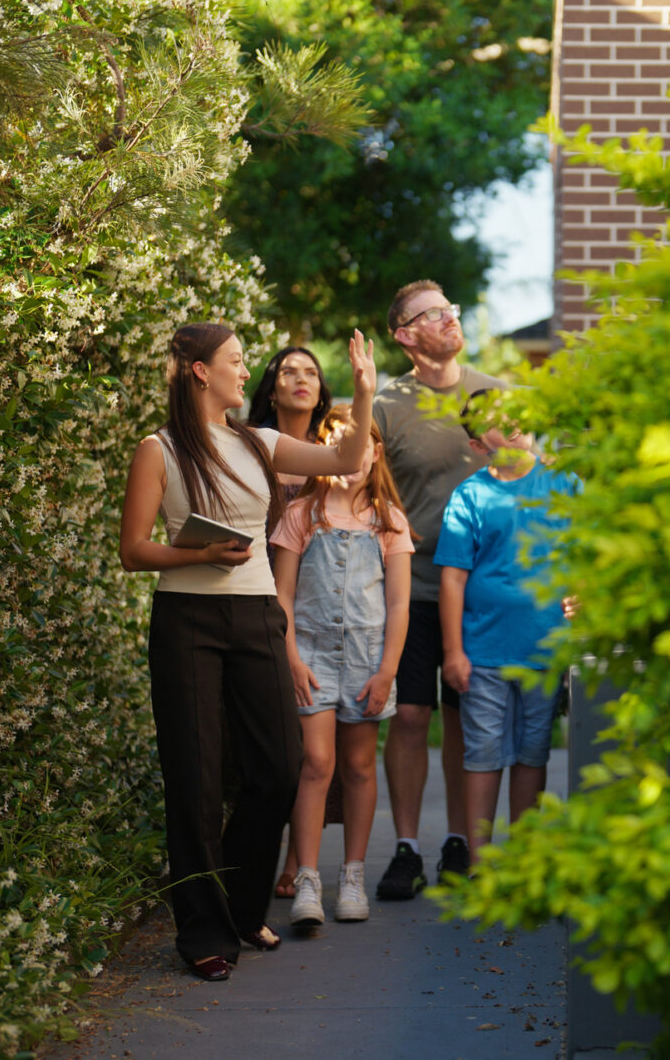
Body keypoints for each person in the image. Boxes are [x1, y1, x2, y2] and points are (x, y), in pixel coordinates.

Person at [118, 322, 376, 982]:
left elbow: (347, 461)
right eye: (234, 361)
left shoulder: (259, 443)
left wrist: (365, 394)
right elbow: (133, 550)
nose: (245, 371)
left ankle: (238, 904)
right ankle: (204, 931)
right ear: (201, 372)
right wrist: (199, 553)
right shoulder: (160, 449)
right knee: (197, 779)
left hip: (259, 614)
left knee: (279, 769)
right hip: (187, 617)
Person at [371, 280, 510, 899]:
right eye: (432, 313)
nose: (450, 318)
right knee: (409, 715)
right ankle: (406, 848)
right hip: (410, 590)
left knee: (464, 718)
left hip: (481, 595)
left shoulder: (496, 397)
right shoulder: (384, 406)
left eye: (451, 308)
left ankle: (460, 841)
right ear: (405, 335)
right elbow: (365, 495)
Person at [269, 406, 412, 929]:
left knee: (358, 766)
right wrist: (292, 660)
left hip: (368, 660)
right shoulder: (302, 515)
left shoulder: (389, 521)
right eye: (337, 446)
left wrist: (386, 671)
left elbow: (398, 604)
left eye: (359, 446)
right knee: (316, 764)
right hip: (311, 658)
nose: (350, 458)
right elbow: (281, 596)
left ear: (375, 453)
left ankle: (352, 875)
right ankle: (308, 877)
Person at [434, 391, 579, 857]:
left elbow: (594, 554)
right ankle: (480, 863)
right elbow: (453, 579)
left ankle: (521, 863)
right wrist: (454, 651)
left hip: (545, 646)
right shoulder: (470, 495)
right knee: (482, 754)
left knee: (532, 753)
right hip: (483, 651)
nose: (510, 423)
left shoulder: (565, 485)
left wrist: (586, 592)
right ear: (479, 445)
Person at [248, 344, 335, 901]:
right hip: (255, 601)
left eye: (311, 372)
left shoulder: (339, 449)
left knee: (313, 750)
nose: (300, 380)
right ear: (271, 387)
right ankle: (258, 854)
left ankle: (297, 860)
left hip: (323, 615)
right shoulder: (249, 447)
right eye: (288, 371)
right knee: (263, 744)